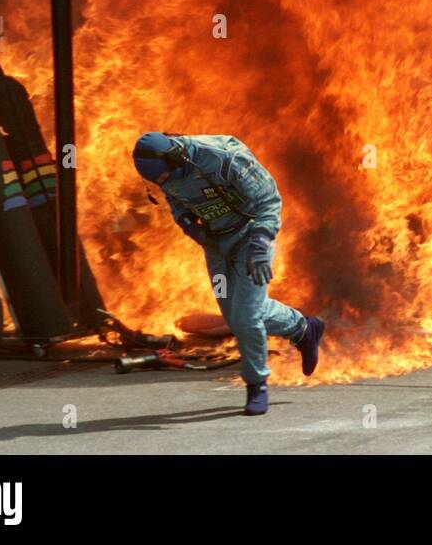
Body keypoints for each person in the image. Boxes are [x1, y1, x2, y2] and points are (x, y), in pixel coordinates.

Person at [132, 132, 324, 415]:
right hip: (217, 245)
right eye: (160, 183)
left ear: (177, 157)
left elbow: (268, 201)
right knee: (237, 317)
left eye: (166, 178)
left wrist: (260, 245)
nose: (165, 184)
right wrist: (192, 228)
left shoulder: (224, 158)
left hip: (250, 236)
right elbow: (177, 204)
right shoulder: (165, 174)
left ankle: (256, 384)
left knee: (247, 317)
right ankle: (303, 329)